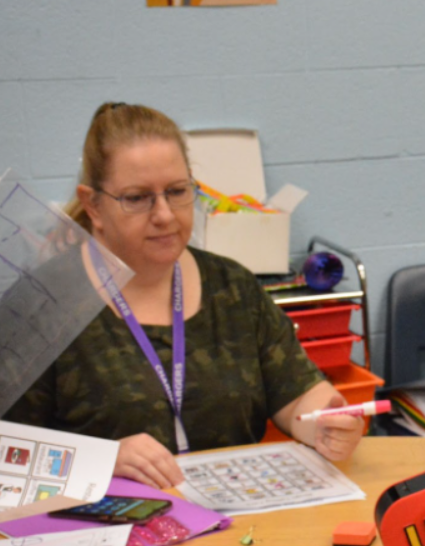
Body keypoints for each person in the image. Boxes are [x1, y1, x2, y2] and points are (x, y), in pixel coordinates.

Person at [4, 102, 364, 489]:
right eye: (137, 198)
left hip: (234, 520)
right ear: (93, 205)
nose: (164, 215)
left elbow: (297, 395)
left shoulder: (232, 287)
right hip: (107, 532)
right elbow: (10, 453)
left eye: (177, 191)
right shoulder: (43, 304)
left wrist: (325, 422)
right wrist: (99, 460)